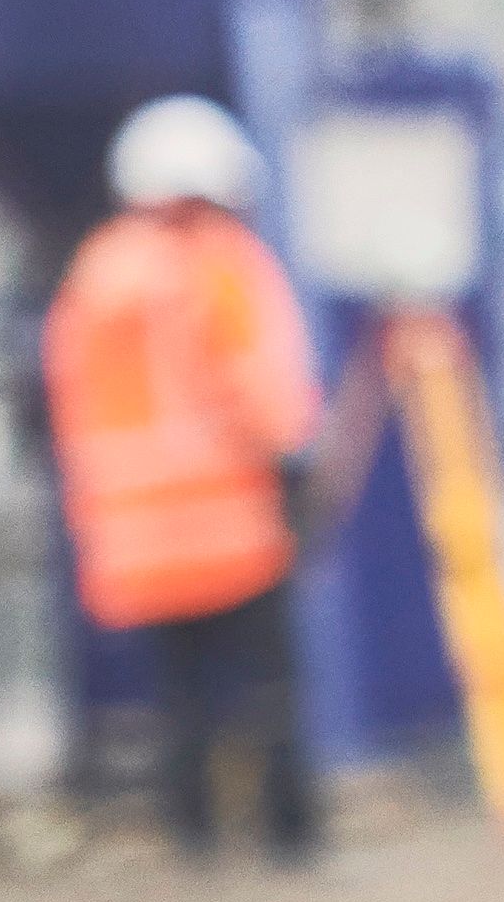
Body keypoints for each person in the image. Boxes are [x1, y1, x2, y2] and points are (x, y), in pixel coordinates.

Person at [43, 96, 325, 863]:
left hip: (134, 534)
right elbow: (260, 382)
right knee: (269, 685)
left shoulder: (97, 270)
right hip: (228, 520)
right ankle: (287, 834)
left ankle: (192, 836)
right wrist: (297, 466)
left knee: (179, 695)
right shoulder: (220, 263)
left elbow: (62, 397)